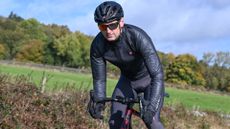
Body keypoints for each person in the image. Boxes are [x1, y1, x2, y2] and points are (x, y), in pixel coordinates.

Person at [88, 1, 165, 129]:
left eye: (112, 25)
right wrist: (99, 104)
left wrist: (151, 109)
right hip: (127, 81)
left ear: (121, 22)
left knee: (152, 121)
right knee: (115, 123)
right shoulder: (97, 46)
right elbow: (99, 79)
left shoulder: (137, 36)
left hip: (150, 81)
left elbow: (157, 75)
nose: (108, 31)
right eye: (102, 27)